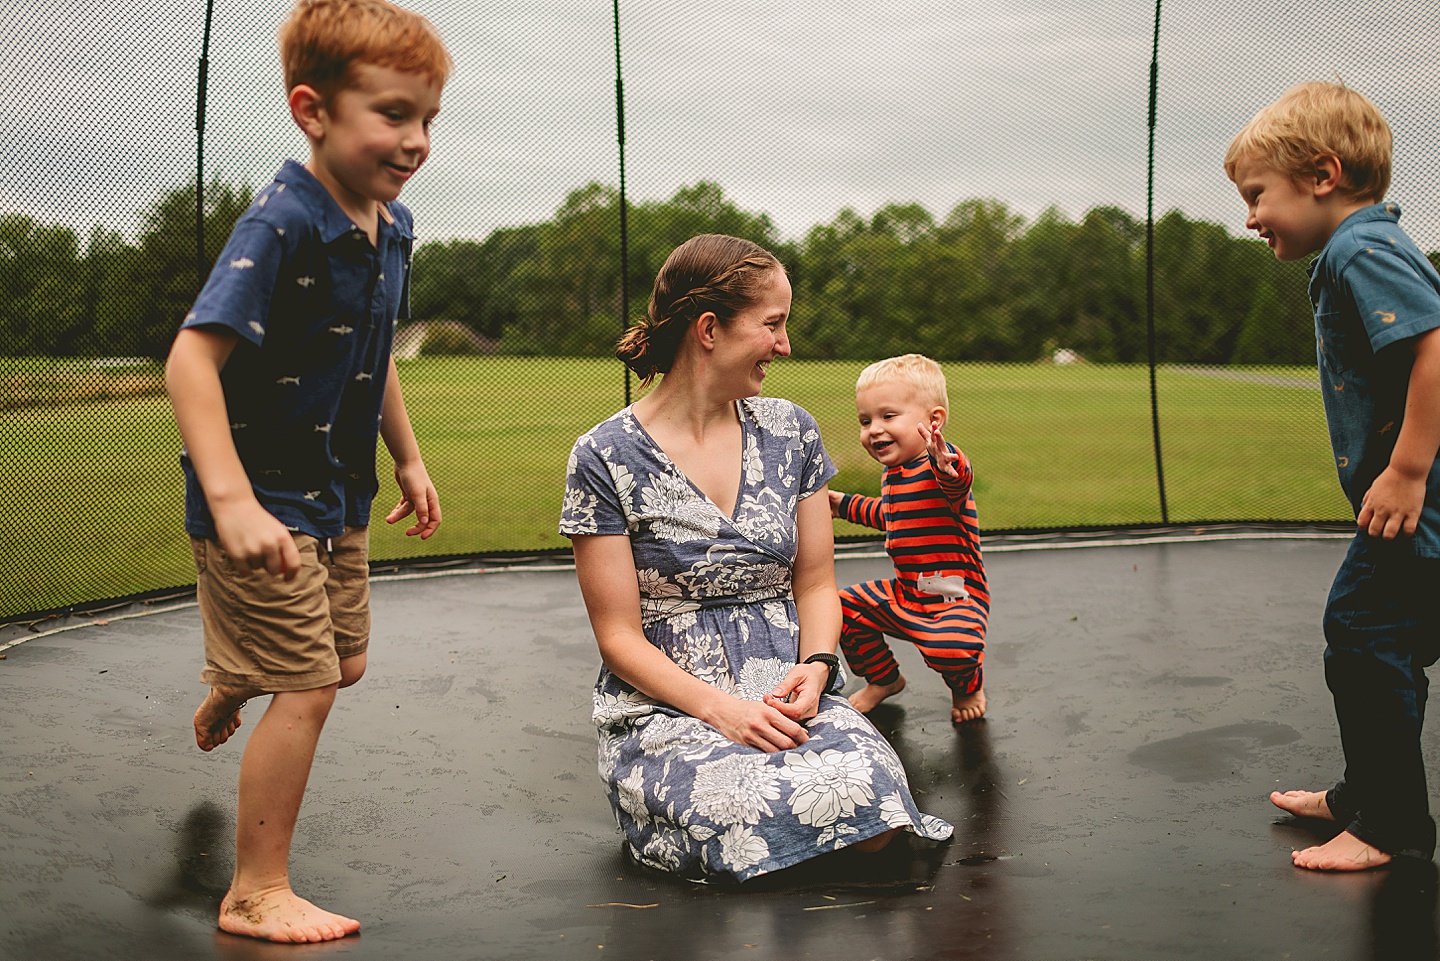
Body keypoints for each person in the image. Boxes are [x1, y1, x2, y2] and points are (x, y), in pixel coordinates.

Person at [163, 0, 448, 939]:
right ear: (312, 110)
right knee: (312, 685)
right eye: (393, 114)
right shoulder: (281, 222)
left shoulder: (392, 228)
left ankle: (235, 673)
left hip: (340, 494)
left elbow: (376, 352)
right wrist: (232, 500)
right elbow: (191, 360)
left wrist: (406, 457)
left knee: (346, 663)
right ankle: (253, 889)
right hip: (264, 505)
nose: (414, 139)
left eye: (428, 118)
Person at [559, 234, 953, 882]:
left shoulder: (792, 430)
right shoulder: (604, 456)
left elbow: (818, 582)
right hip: (671, 710)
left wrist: (819, 666)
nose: (785, 344)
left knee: (875, 801)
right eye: (773, 324)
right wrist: (723, 711)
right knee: (745, 809)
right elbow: (618, 637)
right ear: (709, 329)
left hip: (785, 693)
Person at [1225, 81, 1440, 871]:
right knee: (1385, 647)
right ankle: (1369, 795)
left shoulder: (1361, 246)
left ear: (1323, 174)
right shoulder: (1359, 248)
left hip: (1421, 502)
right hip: (1419, 504)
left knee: (1361, 635)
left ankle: (1388, 823)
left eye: (1257, 194)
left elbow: (1435, 347)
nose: (1249, 216)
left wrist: (1408, 469)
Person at [828, 354, 989, 723]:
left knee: (951, 647)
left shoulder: (938, 470)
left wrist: (946, 462)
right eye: (865, 421)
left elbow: (957, 478)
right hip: (907, 591)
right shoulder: (896, 474)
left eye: (888, 416)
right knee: (842, 609)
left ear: (933, 422)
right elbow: (892, 517)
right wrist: (841, 505)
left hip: (953, 594)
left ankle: (967, 687)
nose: (874, 430)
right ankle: (884, 679)